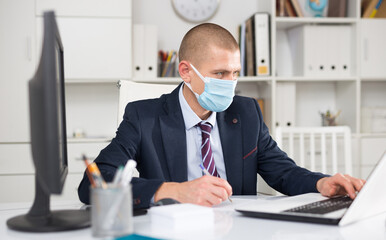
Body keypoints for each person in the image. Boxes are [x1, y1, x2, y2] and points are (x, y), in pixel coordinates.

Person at [78, 23, 365, 209]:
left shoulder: (246, 112)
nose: (230, 83)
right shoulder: (144, 116)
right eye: (220, 74)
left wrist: (321, 183)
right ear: (186, 71)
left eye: (235, 73)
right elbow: (94, 183)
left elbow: (283, 171)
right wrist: (175, 191)